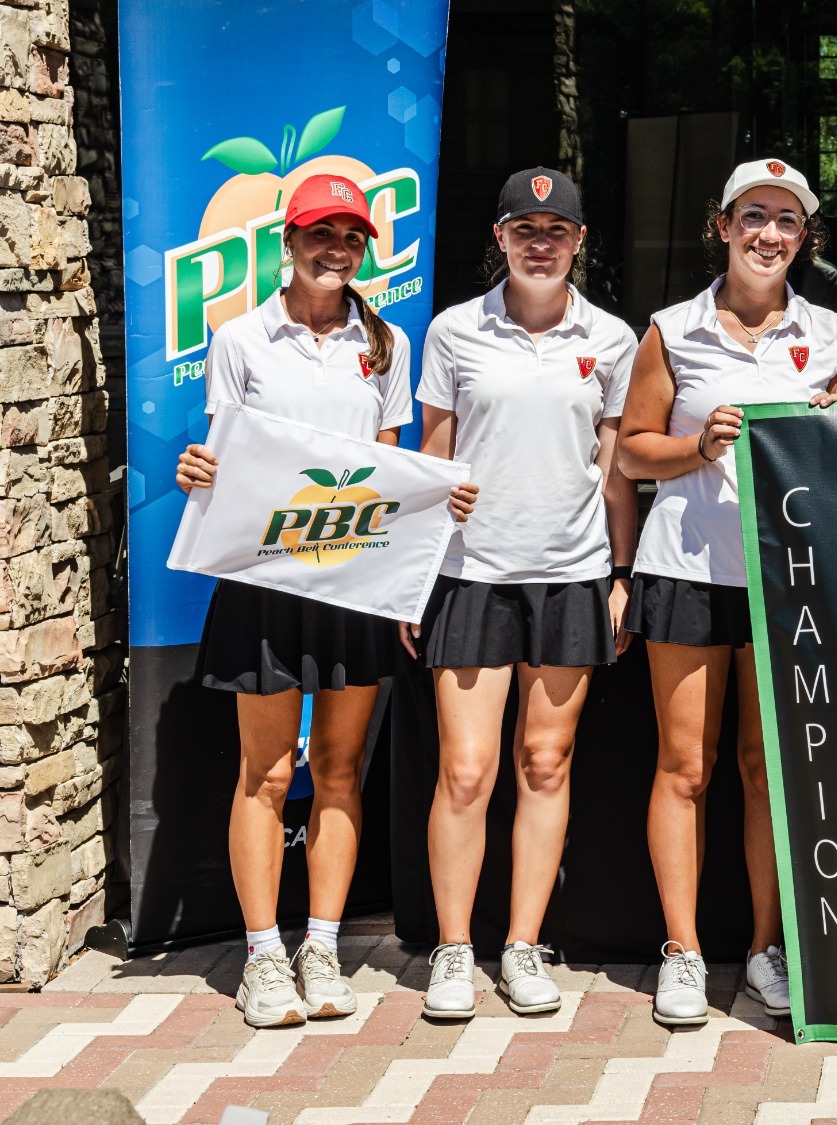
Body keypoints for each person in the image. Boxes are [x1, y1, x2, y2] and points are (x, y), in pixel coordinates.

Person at [176, 174, 472, 1028]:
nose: (335, 249)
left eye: (350, 236)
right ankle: (263, 956)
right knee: (266, 772)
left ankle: (322, 945)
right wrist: (199, 470)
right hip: (266, 578)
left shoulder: (384, 342)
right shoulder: (238, 339)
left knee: (339, 770)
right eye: (320, 233)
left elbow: (388, 467)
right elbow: (224, 459)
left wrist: (433, 500)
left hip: (351, 578)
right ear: (288, 241)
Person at [617, 159, 837, 1027]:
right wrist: (697, 448)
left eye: (787, 222)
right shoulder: (671, 330)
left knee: (769, 771)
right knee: (686, 767)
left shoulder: (834, 335)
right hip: (686, 565)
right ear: (722, 226)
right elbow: (633, 451)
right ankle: (682, 951)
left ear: (805, 239)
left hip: (788, 578)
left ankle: (765, 949)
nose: (769, 234)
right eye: (753, 216)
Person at [403, 167, 639, 1019]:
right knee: (466, 771)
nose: (541, 242)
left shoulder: (612, 338)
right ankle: (455, 947)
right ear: (499, 239)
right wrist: (412, 576)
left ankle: (522, 944)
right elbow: (431, 463)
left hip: (572, 573)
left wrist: (621, 574)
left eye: (558, 230)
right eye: (524, 228)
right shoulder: (454, 331)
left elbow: (613, 471)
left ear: (580, 243)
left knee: (544, 763)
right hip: (471, 576)